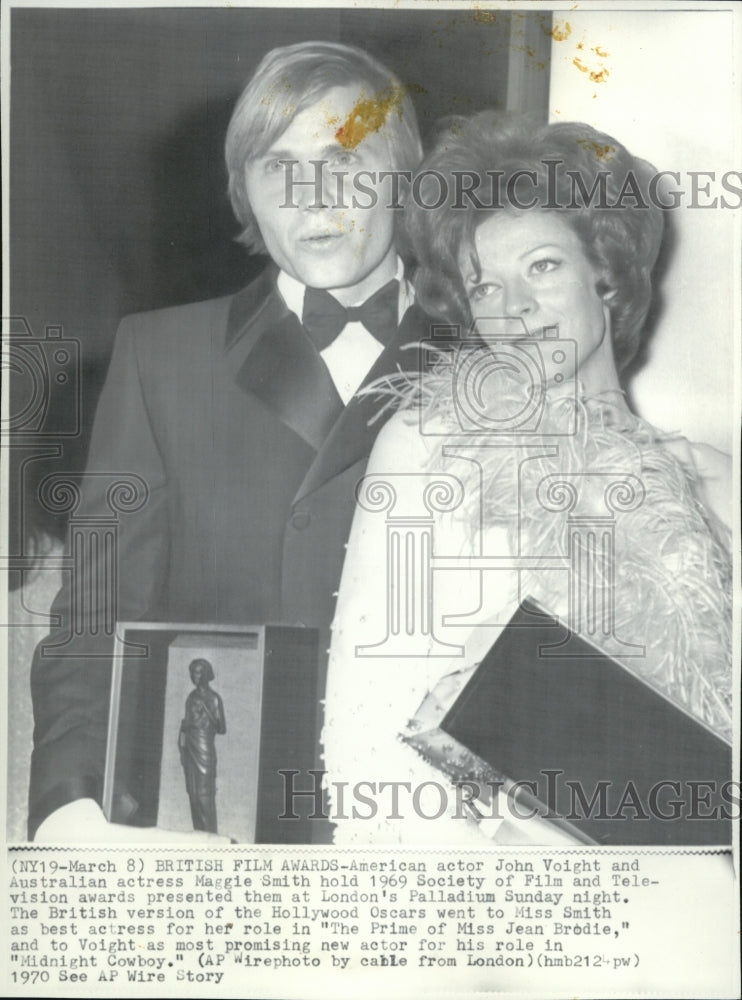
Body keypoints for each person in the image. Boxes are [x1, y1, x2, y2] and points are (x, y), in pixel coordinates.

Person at [30, 40, 426, 842]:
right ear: (245, 192)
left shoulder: (492, 364)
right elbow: (95, 613)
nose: (315, 197)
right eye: (279, 166)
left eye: (345, 156)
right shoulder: (159, 356)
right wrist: (68, 804)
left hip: (420, 832)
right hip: (211, 820)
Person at [322, 114, 733, 844]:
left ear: (605, 275)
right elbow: (362, 734)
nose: (511, 307)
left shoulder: (716, 486)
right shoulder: (434, 443)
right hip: (493, 910)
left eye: (542, 266)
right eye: (483, 287)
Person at [179, 659, 226, 834]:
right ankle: (198, 835)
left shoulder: (214, 698)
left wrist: (207, 711)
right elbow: (187, 724)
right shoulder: (191, 698)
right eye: (192, 672)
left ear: (206, 674)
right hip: (191, 749)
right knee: (194, 795)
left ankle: (211, 837)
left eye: (198, 672)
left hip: (205, 750)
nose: (194, 676)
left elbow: (222, 728)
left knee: (205, 796)